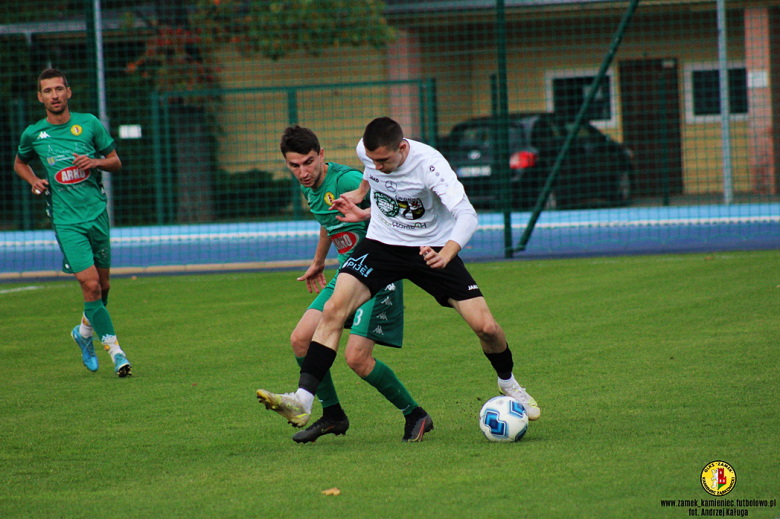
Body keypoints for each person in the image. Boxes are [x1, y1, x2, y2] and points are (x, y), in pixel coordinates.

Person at [257, 117, 539, 437]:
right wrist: (362, 200)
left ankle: (508, 383)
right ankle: (304, 401)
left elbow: (467, 215)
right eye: (372, 159)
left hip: (431, 248)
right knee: (334, 308)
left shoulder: (431, 167)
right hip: (382, 245)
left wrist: (446, 253)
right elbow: (370, 177)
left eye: (384, 160)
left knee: (486, 327)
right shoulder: (367, 153)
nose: (376, 165)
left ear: (402, 148)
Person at [257, 125, 432, 442]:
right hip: (345, 274)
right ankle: (333, 415)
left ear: (321, 155)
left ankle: (415, 414)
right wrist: (319, 261)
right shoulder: (311, 188)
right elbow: (329, 221)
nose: (303, 171)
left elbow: (392, 206)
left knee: (357, 358)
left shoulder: (349, 181)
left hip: (377, 273)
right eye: (294, 166)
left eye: (308, 162)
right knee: (300, 339)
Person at [13, 68, 131, 377]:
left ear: (69, 92)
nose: (54, 95)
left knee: (102, 287)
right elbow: (19, 162)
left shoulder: (89, 124)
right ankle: (116, 352)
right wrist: (34, 180)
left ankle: (83, 333)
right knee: (89, 284)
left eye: (58, 89)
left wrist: (95, 162)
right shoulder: (34, 134)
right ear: (40, 97)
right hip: (66, 222)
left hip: (96, 215)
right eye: (47, 91)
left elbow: (116, 161)